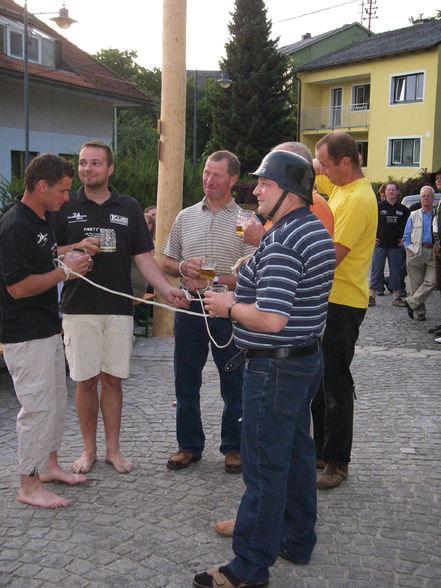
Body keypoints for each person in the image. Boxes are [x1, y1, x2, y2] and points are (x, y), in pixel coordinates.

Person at [193, 150, 335, 588]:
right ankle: (295, 539)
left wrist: (227, 306)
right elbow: (277, 291)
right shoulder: (305, 229)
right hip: (301, 361)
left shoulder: (286, 239)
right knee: (295, 457)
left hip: (275, 370)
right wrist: (233, 281)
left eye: (263, 184)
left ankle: (249, 569)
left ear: (289, 193)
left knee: (264, 469)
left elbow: (271, 319)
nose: (255, 190)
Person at [51, 141, 187, 475]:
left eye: (95, 163)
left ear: (110, 169)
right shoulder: (64, 205)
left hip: (118, 308)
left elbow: (143, 257)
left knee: (112, 380)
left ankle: (114, 450)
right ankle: (88, 450)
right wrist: (75, 247)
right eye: (83, 163)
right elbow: (49, 250)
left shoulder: (128, 207)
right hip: (78, 308)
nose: (87, 169)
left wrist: (168, 288)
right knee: (84, 381)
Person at [0, 153, 92, 508]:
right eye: (63, 191)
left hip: (47, 328)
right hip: (24, 334)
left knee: (54, 402)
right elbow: (18, 287)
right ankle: (28, 484)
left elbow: (47, 254)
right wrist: (65, 273)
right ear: (41, 187)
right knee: (36, 409)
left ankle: (49, 466)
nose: (67, 198)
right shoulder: (14, 226)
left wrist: (73, 254)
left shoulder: (40, 219)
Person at [162, 150, 255, 473]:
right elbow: (166, 262)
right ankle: (188, 445)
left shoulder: (246, 221)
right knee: (185, 379)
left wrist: (210, 277)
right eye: (205, 172)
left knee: (235, 381)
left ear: (232, 179)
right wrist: (181, 266)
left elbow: (250, 273)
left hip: (228, 310)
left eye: (216, 175)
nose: (208, 180)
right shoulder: (185, 216)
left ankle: (234, 447)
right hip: (189, 308)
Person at [312, 131, 377, 490]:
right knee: (319, 381)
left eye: (327, 164)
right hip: (329, 299)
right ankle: (321, 451)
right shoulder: (341, 186)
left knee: (336, 382)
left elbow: (331, 257)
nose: (323, 171)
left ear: (346, 163)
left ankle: (337, 462)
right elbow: (310, 168)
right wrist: (309, 161)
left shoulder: (356, 200)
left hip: (343, 302)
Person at [242, 141, 334, 247]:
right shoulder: (281, 208)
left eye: (279, 163)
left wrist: (261, 240)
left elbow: (311, 257)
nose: (256, 191)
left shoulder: (312, 204)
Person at [368, 182, 409, 307]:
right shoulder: (377, 207)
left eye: (393, 190)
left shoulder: (403, 210)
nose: (391, 192)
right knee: (376, 269)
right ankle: (371, 296)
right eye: (388, 190)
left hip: (396, 246)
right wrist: (371, 237)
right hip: (380, 245)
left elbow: (409, 227)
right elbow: (369, 223)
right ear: (384, 192)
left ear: (397, 192)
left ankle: (396, 297)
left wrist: (405, 240)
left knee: (396, 271)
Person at [403, 185, 437, 322]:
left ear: (433, 198)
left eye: (428, 195)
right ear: (420, 199)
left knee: (432, 281)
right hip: (415, 252)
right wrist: (408, 249)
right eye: (423, 196)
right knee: (416, 284)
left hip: (433, 253)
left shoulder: (437, 215)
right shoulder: (413, 215)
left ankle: (410, 302)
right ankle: (420, 312)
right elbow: (406, 236)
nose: (426, 198)